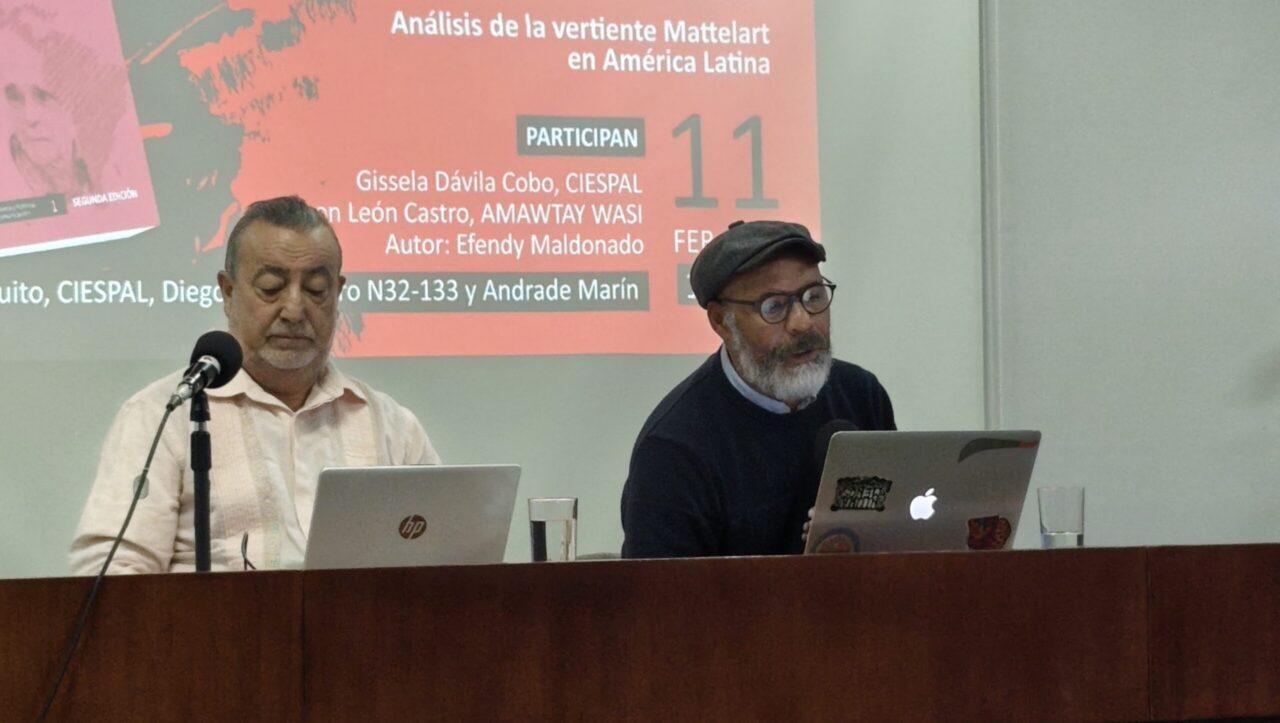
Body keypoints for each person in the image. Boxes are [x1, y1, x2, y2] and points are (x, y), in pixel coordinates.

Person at [70, 196, 440, 573]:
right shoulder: (164, 416)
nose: (294, 310)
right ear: (228, 291)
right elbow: (111, 572)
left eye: (316, 290)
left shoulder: (392, 426)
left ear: (338, 292)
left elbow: (445, 558)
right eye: (271, 287)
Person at [620, 220, 895, 558]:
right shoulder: (674, 448)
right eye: (774, 307)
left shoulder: (861, 396)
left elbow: (897, 532)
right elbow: (661, 589)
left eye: (814, 297)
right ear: (721, 321)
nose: (803, 322)